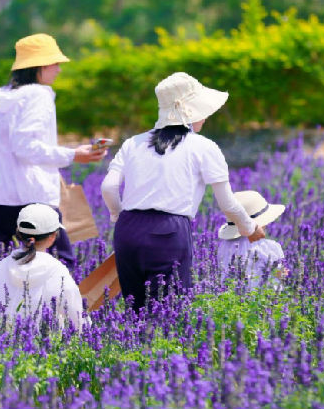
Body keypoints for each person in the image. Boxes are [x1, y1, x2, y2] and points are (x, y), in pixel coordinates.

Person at [101, 72, 266, 311]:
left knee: (135, 310)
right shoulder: (204, 147)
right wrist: (249, 228)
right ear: (190, 112)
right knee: (168, 311)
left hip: (127, 230)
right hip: (168, 232)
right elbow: (227, 204)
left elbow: (108, 187)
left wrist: (119, 216)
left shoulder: (132, 143)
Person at [0, 33, 106, 267]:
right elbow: (24, 146)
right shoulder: (39, 95)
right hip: (31, 196)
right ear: (41, 66)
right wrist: (74, 154)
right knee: (58, 265)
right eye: (55, 64)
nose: (59, 70)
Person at [0, 203, 88, 330]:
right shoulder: (57, 271)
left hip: (3, 338)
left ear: (18, 233)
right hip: (47, 339)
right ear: (52, 237)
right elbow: (77, 318)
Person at [217, 191, 287, 289]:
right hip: (262, 296)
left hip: (229, 294)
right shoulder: (270, 248)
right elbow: (280, 275)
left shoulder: (224, 246)